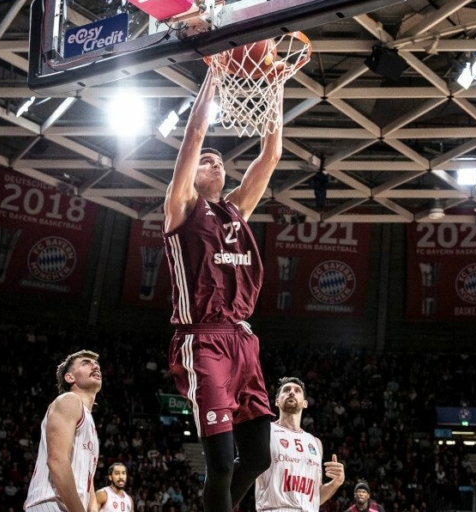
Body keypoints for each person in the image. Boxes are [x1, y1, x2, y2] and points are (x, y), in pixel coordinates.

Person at [162, 56, 285, 512]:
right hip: (202, 342)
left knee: (257, 456)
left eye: (218, 161)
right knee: (222, 465)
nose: (212, 162)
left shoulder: (235, 211)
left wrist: (274, 84)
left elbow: (271, 154)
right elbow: (194, 137)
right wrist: (214, 72)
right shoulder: (180, 208)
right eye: (205, 161)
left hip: (241, 339)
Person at [24, 350, 103, 512]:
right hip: (50, 503)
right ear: (70, 377)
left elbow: (88, 484)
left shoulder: (88, 420)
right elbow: (57, 461)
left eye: (96, 364)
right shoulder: (69, 400)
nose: (95, 366)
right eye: (86, 363)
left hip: (69, 506)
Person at [254, 377, 345, 512]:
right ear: (277, 401)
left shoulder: (315, 443)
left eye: (297, 391)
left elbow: (316, 497)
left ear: (305, 403)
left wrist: (336, 482)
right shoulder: (265, 432)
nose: (291, 392)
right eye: (286, 390)